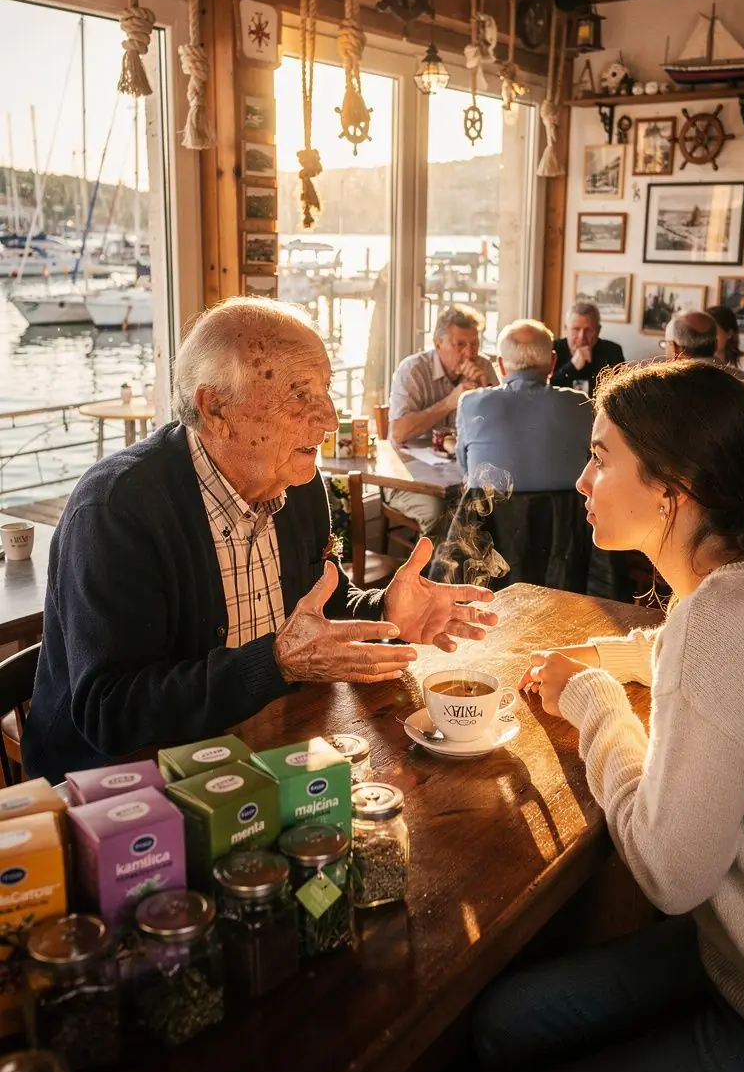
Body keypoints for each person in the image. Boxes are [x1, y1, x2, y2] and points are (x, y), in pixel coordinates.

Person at [452, 359, 744, 1072]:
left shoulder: (729, 621)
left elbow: (667, 871)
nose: (581, 478)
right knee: (507, 1020)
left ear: (672, 492)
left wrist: (591, 700)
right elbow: (673, 651)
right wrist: (597, 660)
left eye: (600, 456)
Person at [23, 299, 497, 781]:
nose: (330, 418)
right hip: (122, 791)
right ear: (216, 408)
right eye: (298, 394)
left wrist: (383, 612)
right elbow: (111, 713)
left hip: (264, 753)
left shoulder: (298, 482)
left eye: (326, 390)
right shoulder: (117, 509)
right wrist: (275, 665)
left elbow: (313, 614)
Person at [386, 304, 499, 535]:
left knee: (499, 503)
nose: (469, 353)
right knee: (438, 512)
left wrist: (484, 393)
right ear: (438, 345)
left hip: (461, 474)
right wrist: (450, 402)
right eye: (460, 345)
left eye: (474, 344)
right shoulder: (413, 370)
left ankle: (477, 570)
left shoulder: (484, 367)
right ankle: (436, 572)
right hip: (410, 477)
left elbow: (501, 430)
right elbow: (398, 432)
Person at [455, 319, 591, 492]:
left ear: (502, 365)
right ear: (553, 362)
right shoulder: (581, 404)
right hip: (565, 518)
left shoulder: (470, 403)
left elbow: (466, 470)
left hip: (491, 517)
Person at [551, 302, 624, 396]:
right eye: (576, 329)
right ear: (566, 329)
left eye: (588, 330)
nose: (582, 337)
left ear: (598, 330)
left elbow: (620, 393)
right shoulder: (553, 348)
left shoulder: (612, 351)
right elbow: (547, 389)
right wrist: (572, 367)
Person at [708, 303, 744, 384]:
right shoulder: (695, 362)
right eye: (705, 333)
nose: (709, 338)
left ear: (729, 334)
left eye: (714, 333)